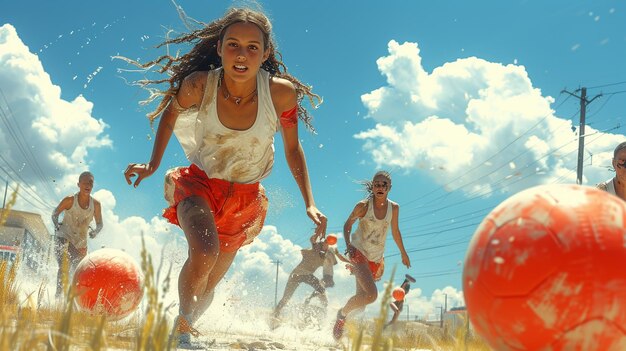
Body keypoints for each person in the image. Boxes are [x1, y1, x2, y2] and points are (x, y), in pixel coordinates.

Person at [121, 6, 327, 347]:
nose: (241, 54)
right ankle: (183, 333)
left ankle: (183, 323)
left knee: (209, 283)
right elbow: (170, 115)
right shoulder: (200, 85)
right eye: (233, 44)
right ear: (219, 48)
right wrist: (152, 164)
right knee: (204, 252)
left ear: (265, 54)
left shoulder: (280, 94)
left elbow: (293, 149)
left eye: (252, 47)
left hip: (245, 200)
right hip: (199, 184)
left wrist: (310, 202)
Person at [333, 171, 411, 340]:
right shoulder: (363, 206)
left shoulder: (394, 208)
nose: (380, 187)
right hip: (359, 252)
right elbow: (347, 224)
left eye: (384, 184)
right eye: (377, 184)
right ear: (373, 187)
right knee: (371, 295)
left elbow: (396, 232)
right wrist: (348, 246)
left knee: (362, 302)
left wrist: (403, 253)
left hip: (375, 259)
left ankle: (345, 323)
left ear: (389, 188)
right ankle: (341, 315)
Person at [51, 171, 103, 298]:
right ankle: (58, 297)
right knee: (64, 265)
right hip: (64, 236)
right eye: (85, 182)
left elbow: (100, 224)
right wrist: (56, 223)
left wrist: (95, 231)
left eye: (90, 182)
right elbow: (55, 213)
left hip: (80, 243)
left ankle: (73, 300)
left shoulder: (96, 205)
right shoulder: (69, 200)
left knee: (78, 273)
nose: (87, 184)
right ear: (78, 184)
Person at [273, 234, 338, 321]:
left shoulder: (325, 257)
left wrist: (333, 253)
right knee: (286, 298)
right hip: (296, 275)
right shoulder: (314, 249)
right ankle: (275, 315)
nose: (325, 245)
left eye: (327, 244)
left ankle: (323, 310)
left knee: (321, 290)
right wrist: (320, 230)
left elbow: (334, 262)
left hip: (307, 275)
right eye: (324, 243)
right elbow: (313, 239)